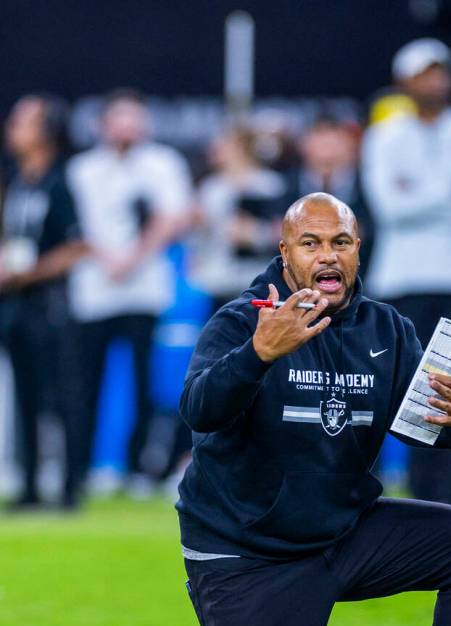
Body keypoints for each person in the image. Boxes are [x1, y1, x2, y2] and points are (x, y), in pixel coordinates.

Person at [71, 193, 451, 626]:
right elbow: (197, 410)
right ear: (285, 253)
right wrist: (258, 353)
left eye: (340, 242)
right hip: (248, 551)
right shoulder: (242, 320)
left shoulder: (386, 328)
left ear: (359, 250)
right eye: (311, 243)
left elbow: (426, 431)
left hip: (343, 534)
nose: (327, 256)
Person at [362, 38, 451, 507]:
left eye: (441, 72)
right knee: (405, 392)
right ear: (405, 81)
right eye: (425, 73)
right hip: (404, 283)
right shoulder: (384, 136)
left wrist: (421, 194)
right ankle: (417, 495)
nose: (435, 81)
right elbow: (389, 207)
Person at [66, 89, 193, 495]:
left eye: (134, 118)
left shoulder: (162, 163)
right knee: (85, 382)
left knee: (144, 381)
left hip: (144, 290)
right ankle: (82, 468)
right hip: (93, 290)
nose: (127, 127)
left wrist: (134, 257)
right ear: (102, 125)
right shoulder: (81, 169)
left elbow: (174, 215)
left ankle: (140, 467)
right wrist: (107, 258)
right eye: (119, 118)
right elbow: (76, 225)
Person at [0, 95, 89, 509]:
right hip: (16, 305)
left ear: (45, 131)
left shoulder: (60, 181)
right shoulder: (19, 180)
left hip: (50, 305)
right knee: (25, 399)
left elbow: (76, 246)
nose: (12, 129)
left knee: (61, 397)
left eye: (23, 122)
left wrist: (28, 273)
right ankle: (32, 486)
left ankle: (71, 487)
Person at [190, 126, 287, 313]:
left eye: (223, 144)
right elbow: (201, 239)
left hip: (257, 279)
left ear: (240, 148)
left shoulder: (269, 185)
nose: (215, 149)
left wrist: (256, 233)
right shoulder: (212, 187)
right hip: (218, 279)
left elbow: (283, 231)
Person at [284, 116, 375, 278]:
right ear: (304, 145)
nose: (327, 148)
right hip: (298, 281)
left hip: (364, 276)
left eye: (334, 140)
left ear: (350, 145)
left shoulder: (371, 184)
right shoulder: (286, 185)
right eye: (320, 139)